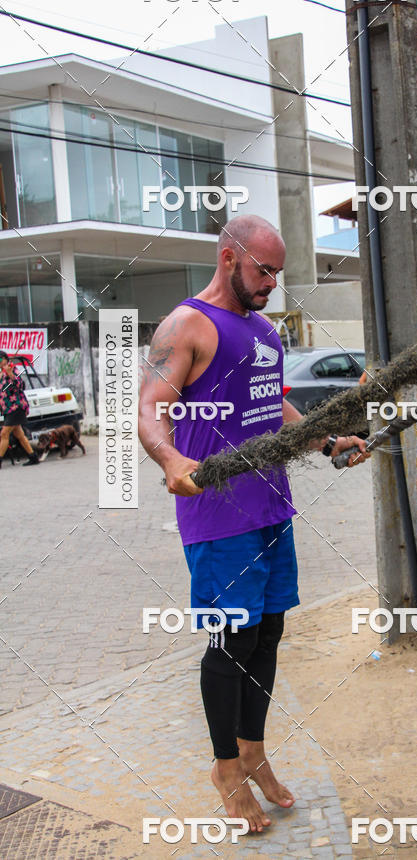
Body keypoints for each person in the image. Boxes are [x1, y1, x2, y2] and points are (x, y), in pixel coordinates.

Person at [138, 215, 370, 834]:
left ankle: (253, 751)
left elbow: (276, 407)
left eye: (278, 273)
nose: (271, 283)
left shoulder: (265, 330)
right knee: (231, 642)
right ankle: (224, 770)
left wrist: (327, 440)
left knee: (267, 637)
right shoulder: (186, 324)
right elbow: (149, 407)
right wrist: (170, 458)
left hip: (272, 507)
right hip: (217, 516)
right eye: (263, 270)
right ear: (228, 258)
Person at [0, 351, 39, 468]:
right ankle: (33, 457)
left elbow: (20, 385)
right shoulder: (1, 373)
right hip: (7, 408)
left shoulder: (13, 370)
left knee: (4, 433)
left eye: (0, 360)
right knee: (19, 434)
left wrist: (10, 374)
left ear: (6, 359)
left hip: (16, 407)